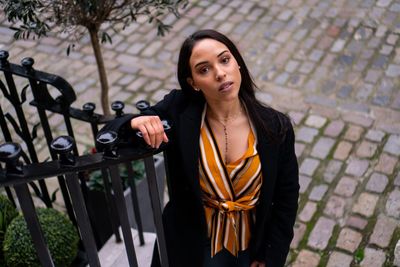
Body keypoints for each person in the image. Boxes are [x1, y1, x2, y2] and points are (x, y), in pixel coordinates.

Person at [130, 29, 299, 267]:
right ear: (193, 83)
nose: (220, 73)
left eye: (225, 60)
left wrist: (271, 256)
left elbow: (286, 198)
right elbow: (111, 138)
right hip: (194, 248)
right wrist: (133, 122)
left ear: (238, 64)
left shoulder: (276, 127)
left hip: (250, 248)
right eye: (204, 69)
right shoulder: (179, 112)